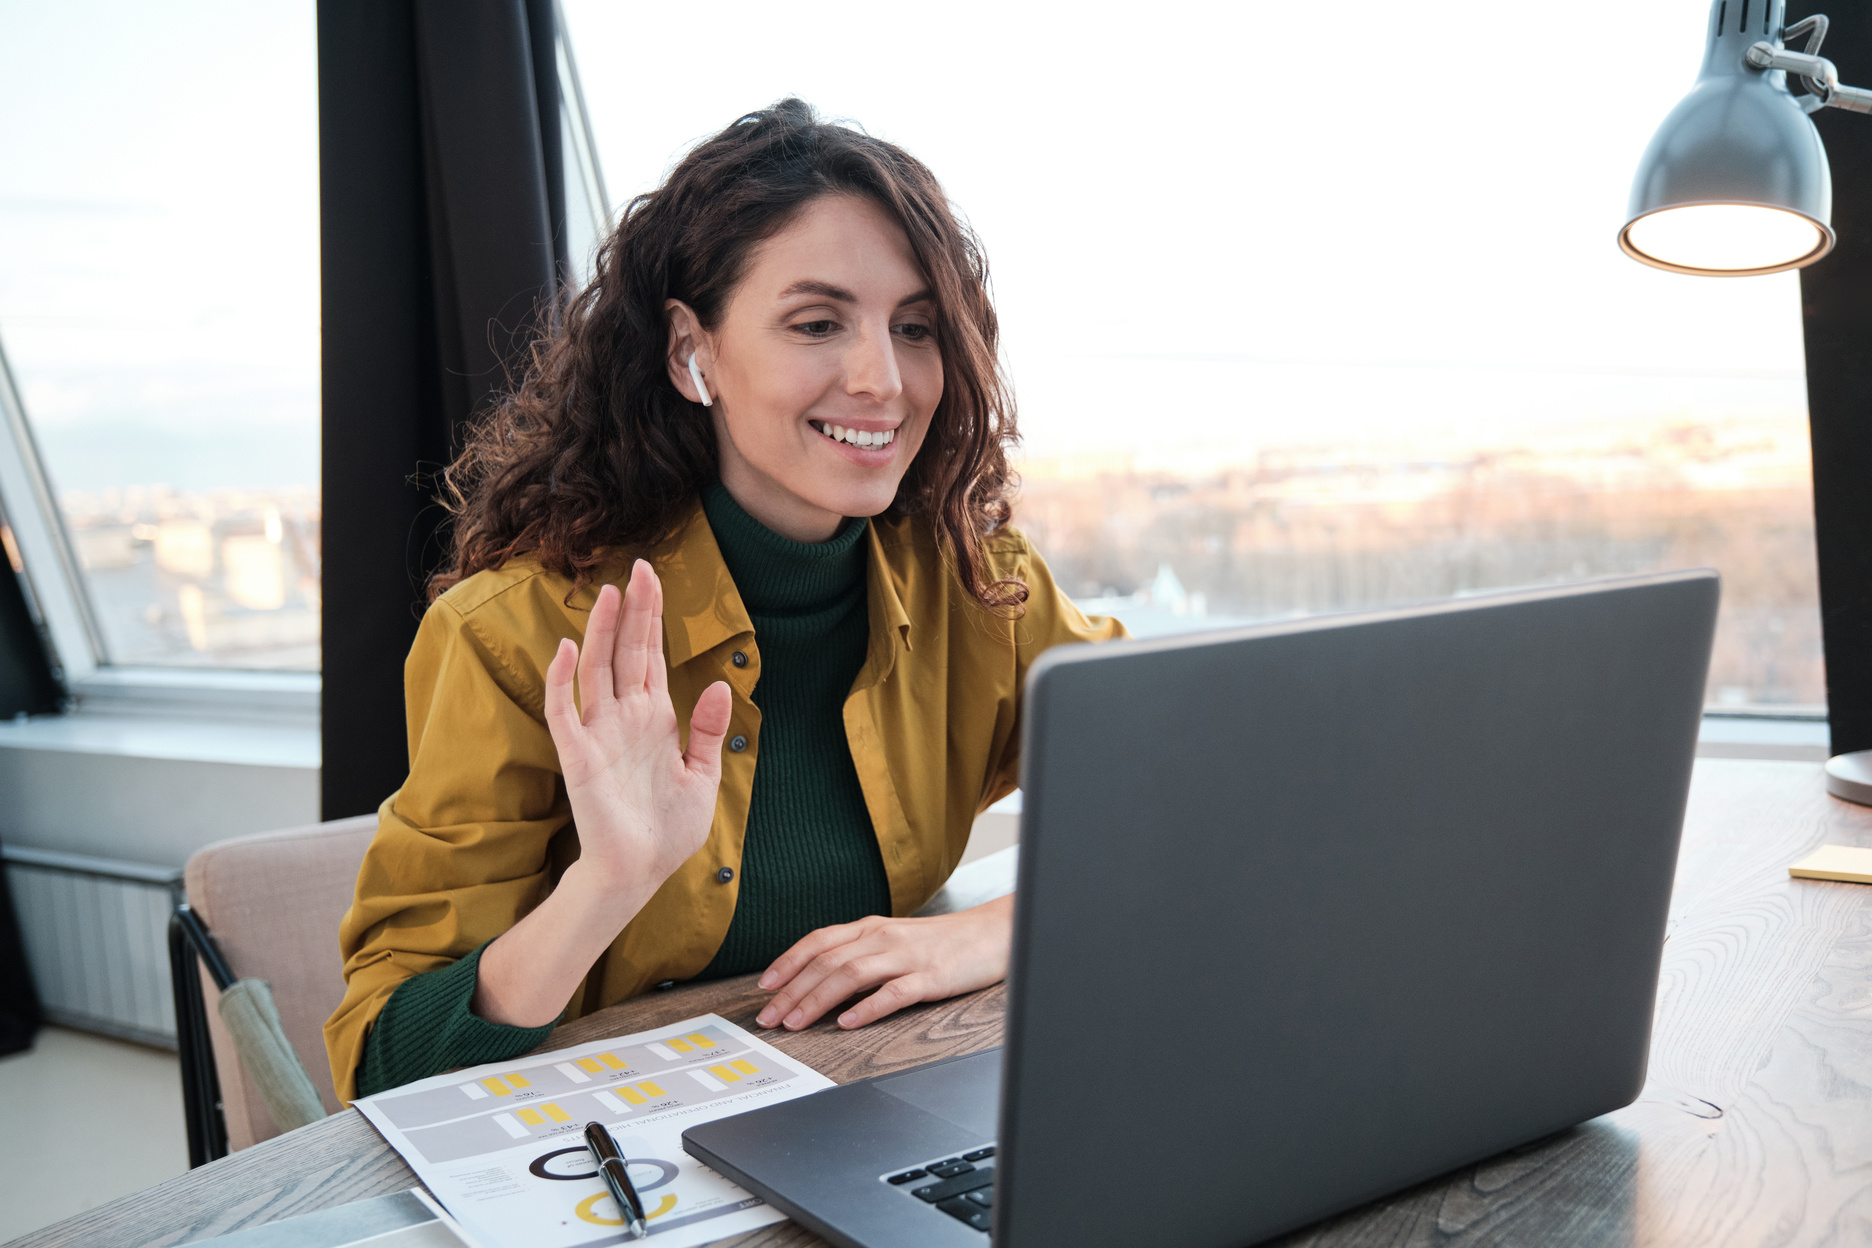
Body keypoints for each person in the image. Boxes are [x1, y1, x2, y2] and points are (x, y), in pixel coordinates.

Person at [323, 98, 1124, 1104]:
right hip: (616, 1145)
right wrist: (607, 882)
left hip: (887, 1097)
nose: (884, 379)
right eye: (817, 323)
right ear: (690, 351)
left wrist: (980, 936)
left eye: (915, 328)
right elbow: (381, 1066)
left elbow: (1190, 786)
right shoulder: (513, 633)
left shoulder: (979, 576)